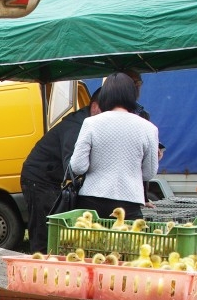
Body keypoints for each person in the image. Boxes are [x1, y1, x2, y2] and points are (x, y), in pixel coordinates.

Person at [69, 72, 158, 221]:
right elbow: (148, 173)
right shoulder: (149, 128)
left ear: (105, 96)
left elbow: (78, 167)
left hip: (91, 202)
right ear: (133, 95)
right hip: (129, 202)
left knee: (91, 244)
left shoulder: (91, 123)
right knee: (126, 244)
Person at [20, 89, 101, 253]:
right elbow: (71, 165)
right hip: (40, 179)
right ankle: (40, 264)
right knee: (45, 229)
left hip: (52, 178)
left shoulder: (87, 123)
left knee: (55, 229)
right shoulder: (76, 127)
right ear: (95, 107)